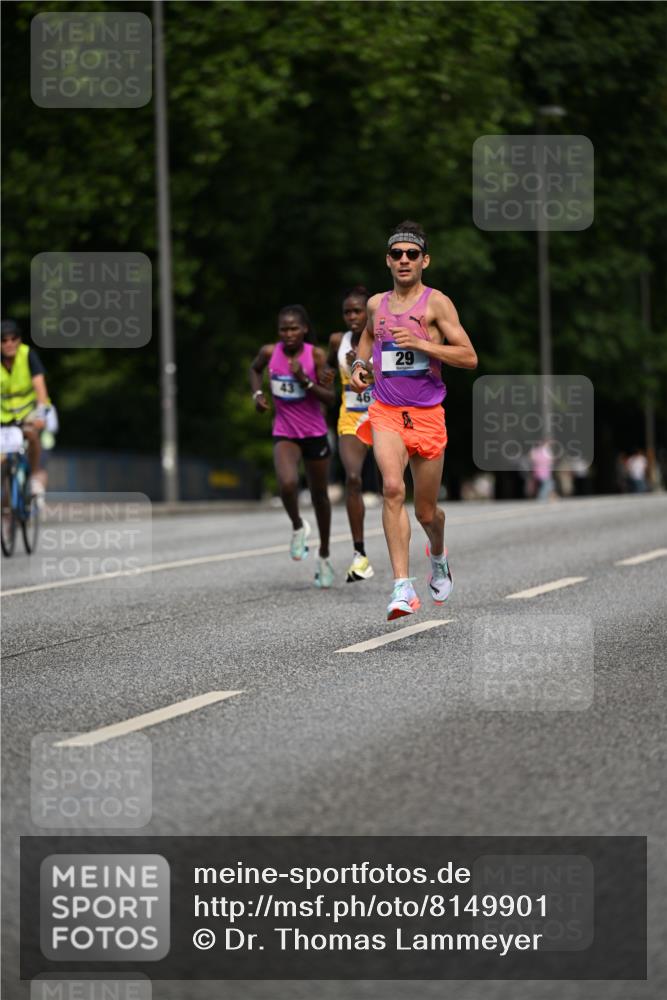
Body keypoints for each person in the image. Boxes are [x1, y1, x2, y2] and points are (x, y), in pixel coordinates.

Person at [349, 221, 478, 620]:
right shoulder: (376, 305)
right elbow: (368, 339)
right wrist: (358, 365)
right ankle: (402, 587)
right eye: (397, 254)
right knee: (390, 488)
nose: (404, 260)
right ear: (388, 261)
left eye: (412, 254)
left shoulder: (437, 304)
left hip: (427, 416)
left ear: (425, 260)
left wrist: (422, 343)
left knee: (426, 512)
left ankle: (437, 555)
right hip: (386, 410)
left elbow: (469, 357)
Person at [250, 305, 336, 588]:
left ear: (305, 330)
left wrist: (304, 380)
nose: (288, 334)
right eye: (283, 329)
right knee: (287, 484)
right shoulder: (268, 353)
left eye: (294, 329)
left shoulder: (317, 355)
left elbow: (329, 398)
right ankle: (298, 526)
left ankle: (323, 555)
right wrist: (258, 393)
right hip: (284, 432)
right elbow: (255, 370)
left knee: (319, 496)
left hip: (314, 433)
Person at [326, 286, 376, 582]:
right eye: (348, 312)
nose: (353, 317)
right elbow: (330, 369)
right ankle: (360, 555)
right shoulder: (337, 341)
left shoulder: (383, 338)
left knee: (395, 487)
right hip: (351, 418)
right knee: (353, 478)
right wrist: (326, 377)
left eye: (358, 311)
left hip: (383, 415)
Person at [0, 319, 54, 498]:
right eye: (3, 340)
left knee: (31, 433)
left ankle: (32, 475)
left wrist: (40, 415)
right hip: (4, 416)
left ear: (19, 340)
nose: (9, 344)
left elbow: (40, 390)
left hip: (28, 412)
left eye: (13, 339)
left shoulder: (27, 354)